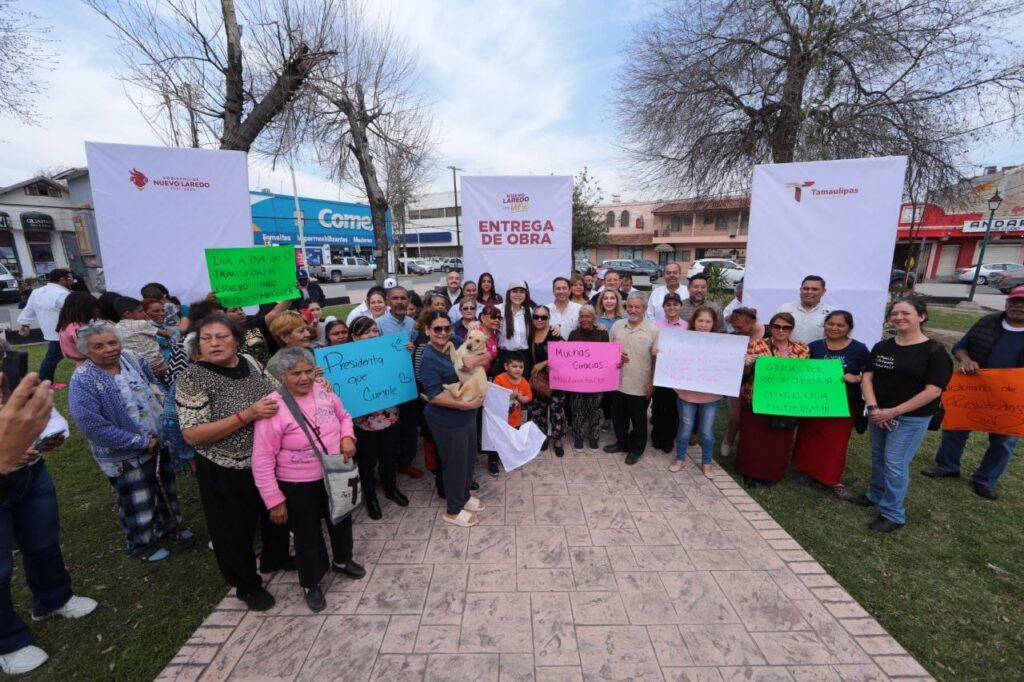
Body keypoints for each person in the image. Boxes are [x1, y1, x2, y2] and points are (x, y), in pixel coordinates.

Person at [177, 315, 290, 610]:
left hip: (266, 459)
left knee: (274, 512)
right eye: (207, 338)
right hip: (224, 467)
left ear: (236, 340)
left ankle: (275, 557)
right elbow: (191, 435)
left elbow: (277, 389)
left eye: (222, 337)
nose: (214, 343)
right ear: (198, 344)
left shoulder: (249, 362)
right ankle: (246, 584)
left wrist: (310, 381)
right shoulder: (193, 378)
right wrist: (247, 416)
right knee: (233, 529)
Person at [0, 371, 98, 676]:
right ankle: (8, 642)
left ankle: (54, 599)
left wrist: (47, 437)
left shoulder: (13, 381)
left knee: (42, 541)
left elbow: (49, 416)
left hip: (31, 474)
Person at [252, 347, 364, 612]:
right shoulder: (273, 407)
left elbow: (344, 416)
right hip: (298, 483)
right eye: (295, 373)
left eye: (308, 371)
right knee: (307, 533)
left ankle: (342, 559)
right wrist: (274, 499)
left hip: (334, 472)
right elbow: (262, 459)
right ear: (282, 375)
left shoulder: (324, 391)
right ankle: (311, 582)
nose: (304, 378)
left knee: (341, 518)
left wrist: (348, 437)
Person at [68, 322, 189, 562]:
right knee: (137, 497)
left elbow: (153, 384)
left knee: (165, 485)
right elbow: (92, 426)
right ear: (86, 351)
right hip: (123, 451)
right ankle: (141, 542)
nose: (109, 349)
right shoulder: (83, 380)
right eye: (98, 346)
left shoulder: (132, 358)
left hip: (158, 440)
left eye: (112, 342)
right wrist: (138, 441)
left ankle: (169, 527)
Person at [856, 298, 953, 532]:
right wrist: (873, 408)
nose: (899, 317)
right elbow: (867, 377)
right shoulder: (882, 346)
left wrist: (895, 411)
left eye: (905, 313)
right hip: (878, 413)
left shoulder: (935, 352)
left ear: (922, 316)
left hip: (910, 418)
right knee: (879, 456)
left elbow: (933, 391)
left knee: (895, 463)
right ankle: (876, 494)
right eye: (895, 313)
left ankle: (893, 513)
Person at [922, 286, 1024, 499]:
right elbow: (960, 346)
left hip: (1011, 397)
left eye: (1023, 303)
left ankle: (986, 480)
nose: (1018, 306)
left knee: (1004, 441)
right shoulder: (988, 322)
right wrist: (966, 360)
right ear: (1007, 303)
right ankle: (948, 466)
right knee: (955, 428)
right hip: (974, 390)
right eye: (1015, 301)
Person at [791, 311, 870, 499]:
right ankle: (810, 472)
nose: (834, 328)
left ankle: (832, 478)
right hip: (814, 404)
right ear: (824, 325)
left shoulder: (859, 349)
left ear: (849, 328)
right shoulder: (814, 347)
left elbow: (870, 376)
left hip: (843, 405)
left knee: (836, 443)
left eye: (840, 325)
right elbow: (800, 372)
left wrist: (856, 377)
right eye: (830, 324)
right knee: (810, 438)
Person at [419, 310, 487, 527]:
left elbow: (486, 354)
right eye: (437, 328)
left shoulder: (455, 341)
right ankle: (453, 510)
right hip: (446, 418)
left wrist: (475, 360)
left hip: (467, 414)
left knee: (468, 459)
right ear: (427, 330)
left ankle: (464, 496)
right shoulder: (428, 357)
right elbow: (434, 395)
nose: (442, 333)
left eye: (446, 328)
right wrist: (464, 405)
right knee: (454, 464)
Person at [735, 312, 810, 487]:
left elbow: (803, 375)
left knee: (779, 440)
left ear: (792, 329)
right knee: (753, 438)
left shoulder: (801, 349)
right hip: (756, 398)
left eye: (786, 327)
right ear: (771, 327)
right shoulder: (756, 345)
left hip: (785, 401)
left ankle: (772, 473)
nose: (781, 330)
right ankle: (750, 472)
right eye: (777, 326)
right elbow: (745, 374)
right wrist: (747, 364)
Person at [347, 317, 409, 517]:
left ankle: (391, 489)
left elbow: (401, 374)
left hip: (390, 416)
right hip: (363, 422)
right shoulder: (347, 360)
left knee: (388, 456)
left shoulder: (388, 352)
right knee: (367, 462)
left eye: (375, 330)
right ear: (355, 337)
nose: (372, 335)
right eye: (366, 332)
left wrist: (406, 353)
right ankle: (371, 497)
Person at [604, 295, 659, 464]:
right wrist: (615, 355)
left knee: (639, 420)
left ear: (644, 309)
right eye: (630, 306)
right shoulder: (617, 326)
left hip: (640, 384)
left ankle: (636, 449)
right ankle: (622, 443)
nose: (633, 310)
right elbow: (607, 350)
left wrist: (652, 383)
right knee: (619, 417)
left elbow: (656, 359)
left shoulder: (653, 330)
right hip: (618, 381)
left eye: (637, 307)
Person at [671, 306, 724, 479]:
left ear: (713, 324)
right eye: (700, 320)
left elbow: (728, 365)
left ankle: (707, 463)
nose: (703, 324)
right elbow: (674, 361)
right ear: (693, 322)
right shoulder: (683, 341)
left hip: (711, 396)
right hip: (687, 394)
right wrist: (662, 354)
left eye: (707, 321)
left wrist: (742, 359)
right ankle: (680, 459)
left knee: (707, 432)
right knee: (685, 429)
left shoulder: (722, 343)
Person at [17, 269, 73, 385]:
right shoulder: (63, 294)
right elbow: (73, 312)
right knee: (52, 357)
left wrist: (25, 324)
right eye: (69, 278)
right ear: (62, 279)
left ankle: (45, 381)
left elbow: (29, 309)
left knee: (53, 356)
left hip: (52, 332)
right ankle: (45, 381)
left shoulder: (37, 292)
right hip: (66, 331)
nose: (72, 280)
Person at [721, 307, 763, 457]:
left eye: (740, 326)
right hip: (737, 382)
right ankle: (728, 440)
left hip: (760, 384)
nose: (736, 329)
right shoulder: (732, 337)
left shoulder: (767, 336)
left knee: (755, 418)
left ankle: (749, 446)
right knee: (736, 416)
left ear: (752, 323)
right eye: (734, 326)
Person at [650, 292, 689, 452]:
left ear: (680, 306)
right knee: (658, 406)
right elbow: (650, 345)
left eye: (675, 304)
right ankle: (657, 436)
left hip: (679, 374)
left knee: (674, 408)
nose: (671, 307)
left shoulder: (687, 326)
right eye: (668, 304)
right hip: (660, 372)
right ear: (663, 307)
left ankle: (669, 439)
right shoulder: (655, 326)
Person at [567, 305, 608, 452]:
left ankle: (593, 436)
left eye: (588, 316)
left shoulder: (602, 334)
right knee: (577, 408)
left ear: (594, 318)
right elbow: (568, 358)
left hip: (596, 380)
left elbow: (607, 357)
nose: (585, 319)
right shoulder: (573, 334)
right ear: (579, 319)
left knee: (594, 410)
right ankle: (578, 435)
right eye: (582, 316)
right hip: (577, 380)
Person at [528, 305, 567, 457]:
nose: (539, 319)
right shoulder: (529, 333)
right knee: (538, 410)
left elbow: (565, 353)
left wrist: (543, 363)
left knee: (557, 410)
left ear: (548, 319)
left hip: (556, 377)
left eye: (543, 317)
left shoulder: (554, 333)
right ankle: (542, 437)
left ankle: (557, 440)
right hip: (537, 379)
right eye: (536, 316)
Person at [492, 352, 533, 471]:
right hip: (500, 419)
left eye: (521, 367)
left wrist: (520, 398)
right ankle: (493, 460)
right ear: (506, 366)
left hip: (515, 419)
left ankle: (512, 459)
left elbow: (529, 396)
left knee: (513, 440)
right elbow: (494, 396)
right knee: (497, 441)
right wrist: (509, 396)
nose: (518, 370)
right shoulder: (499, 379)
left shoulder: (523, 381)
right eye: (514, 366)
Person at [115, 297, 169, 379]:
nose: (144, 314)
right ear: (128, 314)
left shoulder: (116, 327)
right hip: (156, 364)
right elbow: (164, 334)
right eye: (140, 311)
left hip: (138, 367)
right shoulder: (141, 323)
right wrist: (170, 332)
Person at [778, 275, 833, 343]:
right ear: (801, 289)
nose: (809, 292)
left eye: (814, 289)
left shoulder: (832, 312)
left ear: (823, 291)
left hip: (818, 353)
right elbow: (774, 331)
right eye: (806, 288)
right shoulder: (785, 308)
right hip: (789, 352)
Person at [265, 311, 314, 378]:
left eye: (307, 329)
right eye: (301, 331)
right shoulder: (276, 364)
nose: (308, 334)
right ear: (284, 337)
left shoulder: (310, 351)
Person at [57, 291, 99, 367]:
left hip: (81, 363)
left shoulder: (66, 325)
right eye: (94, 308)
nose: (96, 311)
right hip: (90, 364)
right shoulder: (77, 328)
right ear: (85, 308)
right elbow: (90, 347)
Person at [497, 281, 532, 374]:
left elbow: (542, 323)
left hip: (523, 357)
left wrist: (556, 326)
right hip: (505, 356)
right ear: (509, 293)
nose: (518, 295)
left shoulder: (529, 312)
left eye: (522, 292)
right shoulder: (499, 309)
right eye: (515, 291)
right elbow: (484, 320)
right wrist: (474, 322)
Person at [143, 297, 180, 367]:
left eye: (163, 310)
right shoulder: (144, 331)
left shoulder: (172, 328)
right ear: (144, 313)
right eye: (156, 311)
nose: (162, 313)